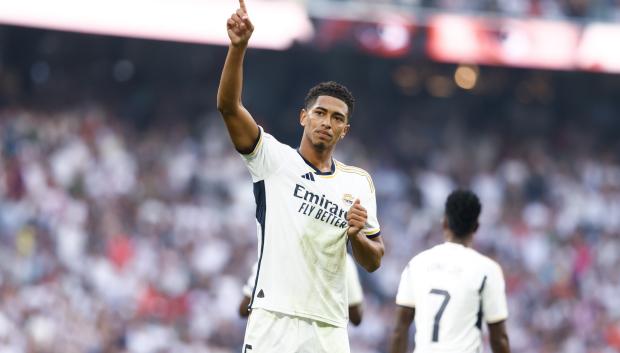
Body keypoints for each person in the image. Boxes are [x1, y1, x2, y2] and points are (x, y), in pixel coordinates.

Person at [217, 1, 384, 352]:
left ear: (345, 131)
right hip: (273, 318)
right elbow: (229, 108)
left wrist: (357, 237)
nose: (327, 122)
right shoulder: (273, 160)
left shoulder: (358, 183)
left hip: (327, 327)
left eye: (337, 118)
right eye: (320, 113)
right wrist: (238, 48)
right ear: (303, 118)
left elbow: (373, 260)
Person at [389, 190, 510, 353]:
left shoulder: (417, 264)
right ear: (476, 227)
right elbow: (499, 339)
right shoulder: (487, 270)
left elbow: (399, 330)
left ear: (444, 223)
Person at [238, 253, 365, 326]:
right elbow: (356, 317)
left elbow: (243, 309)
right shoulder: (342, 259)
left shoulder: (274, 253)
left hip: (275, 341)